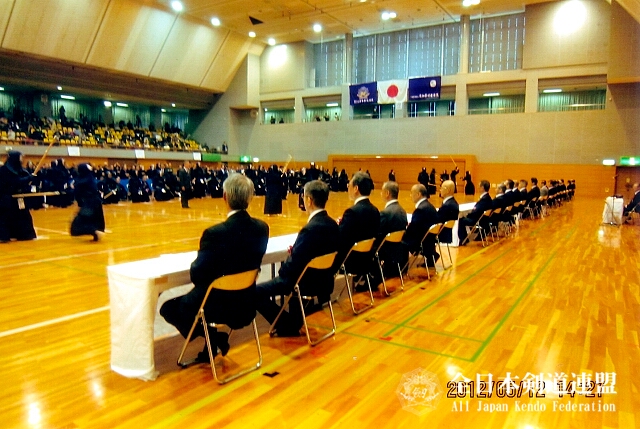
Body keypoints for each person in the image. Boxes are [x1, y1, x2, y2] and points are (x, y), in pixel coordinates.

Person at [160, 174, 269, 361]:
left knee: (169, 308)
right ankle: (213, 340)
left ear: (224, 196)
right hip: (245, 302)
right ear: (250, 198)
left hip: (217, 305)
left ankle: (214, 338)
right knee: (204, 296)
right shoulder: (262, 228)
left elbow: (198, 274)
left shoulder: (215, 234)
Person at [256, 180, 339, 336]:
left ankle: (285, 324)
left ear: (308, 200)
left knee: (255, 292)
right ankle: (291, 321)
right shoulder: (333, 225)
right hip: (323, 281)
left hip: (304, 283)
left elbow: (292, 267)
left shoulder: (309, 229)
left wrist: (284, 267)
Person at [336, 171, 380, 284]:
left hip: (352, 262)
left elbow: (341, 239)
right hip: (368, 259)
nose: (347, 187)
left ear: (356, 188)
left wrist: (339, 226)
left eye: (349, 185)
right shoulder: (375, 210)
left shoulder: (352, 212)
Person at [373, 181, 408, 285]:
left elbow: (378, 232)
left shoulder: (386, 213)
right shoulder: (402, 210)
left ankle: (372, 279)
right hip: (397, 248)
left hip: (386, 249)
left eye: (382, 191)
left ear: (387, 193)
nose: (380, 194)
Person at [0, 150, 37, 242]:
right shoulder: (3, 171)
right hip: (7, 200)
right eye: (20, 157)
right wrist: (27, 178)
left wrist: (30, 179)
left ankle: (24, 235)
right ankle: (4, 236)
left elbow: (24, 182)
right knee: (6, 218)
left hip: (20, 199)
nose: (21, 160)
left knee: (23, 217)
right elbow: (13, 182)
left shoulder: (21, 170)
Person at [402, 184, 438, 267]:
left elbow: (412, 229)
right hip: (429, 241)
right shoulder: (430, 206)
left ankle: (401, 267)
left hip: (419, 242)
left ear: (418, 194)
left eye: (412, 193)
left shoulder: (420, 209)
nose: (410, 195)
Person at [70, 164, 106, 242]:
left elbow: (78, 194)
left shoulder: (80, 181)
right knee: (96, 220)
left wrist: (79, 206)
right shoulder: (90, 178)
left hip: (89, 204)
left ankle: (94, 232)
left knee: (77, 225)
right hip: (97, 202)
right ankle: (96, 235)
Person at [458, 180, 493, 245]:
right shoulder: (488, 198)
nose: (478, 188)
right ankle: (465, 238)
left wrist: (468, 215)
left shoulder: (484, 199)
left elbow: (477, 211)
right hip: (483, 219)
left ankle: (463, 239)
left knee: (461, 220)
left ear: (482, 187)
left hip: (479, 220)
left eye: (479, 186)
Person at [437, 180, 460, 245]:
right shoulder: (453, 203)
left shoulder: (447, 205)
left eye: (441, 188)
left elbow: (438, 220)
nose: (440, 190)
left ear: (447, 190)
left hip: (443, 235)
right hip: (447, 233)